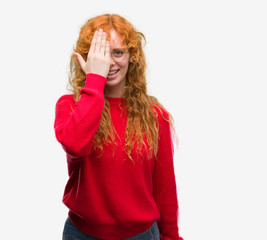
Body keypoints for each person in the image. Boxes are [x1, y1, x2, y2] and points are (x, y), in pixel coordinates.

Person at [54, 13, 184, 240]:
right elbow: (75, 145)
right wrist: (95, 78)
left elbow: (165, 189)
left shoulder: (155, 115)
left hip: (141, 236)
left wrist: (172, 237)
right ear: (88, 58)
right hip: (82, 235)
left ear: (131, 56)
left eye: (118, 52)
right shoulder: (70, 106)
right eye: (101, 54)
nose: (110, 62)